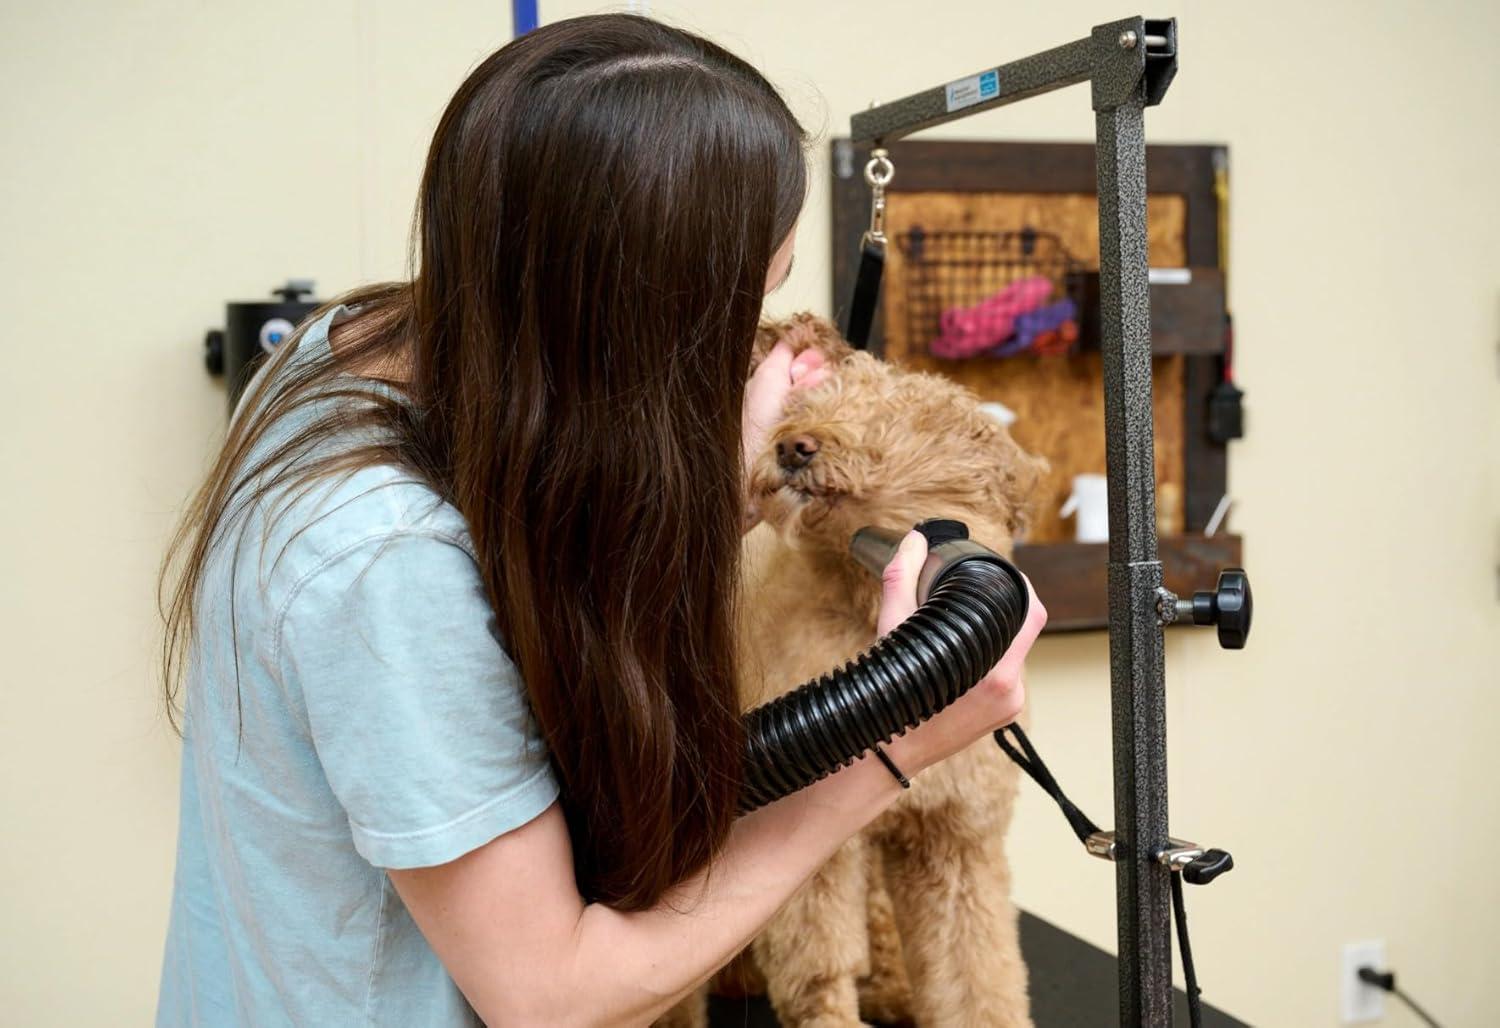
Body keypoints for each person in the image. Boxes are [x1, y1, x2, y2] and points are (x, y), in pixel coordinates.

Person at [156, 14, 1044, 1026]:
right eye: (738, 300)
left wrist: (726, 488)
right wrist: (890, 745)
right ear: (639, 314)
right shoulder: (384, 560)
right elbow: (553, 992)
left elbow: (524, 542)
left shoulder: (336, 350)